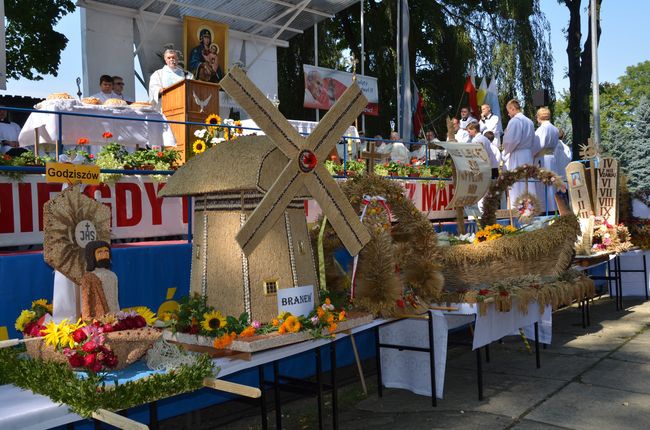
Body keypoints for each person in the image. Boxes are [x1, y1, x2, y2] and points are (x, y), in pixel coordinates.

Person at [502, 99, 536, 206]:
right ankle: (530, 207)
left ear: (513, 108)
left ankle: (517, 207)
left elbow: (511, 140)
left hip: (517, 153)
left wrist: (505, 151)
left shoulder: (515, 121)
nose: (508, 114)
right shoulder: (529, 121)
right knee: (527, 182)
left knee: (518, 183)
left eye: (509, 111)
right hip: (527, 154)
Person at [80, 240, 119, 319]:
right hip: (98, 319)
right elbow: (85, 302)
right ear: (91, 255)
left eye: (106, 251)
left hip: (114, 317)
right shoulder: (89, 277)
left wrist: (117, 315)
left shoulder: (113, 275)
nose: (104, 255)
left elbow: (115, 299)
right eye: (100, 252)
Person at [533, 107, 560, 212]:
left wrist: (532, 154)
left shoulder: (542, 129)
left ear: (539, 117)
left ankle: (545, 208)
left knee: (543, 184)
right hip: (551, 157)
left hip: (542, 158)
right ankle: (554, 206)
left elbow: (539, 144)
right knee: (552, 182)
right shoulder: (554, 128)